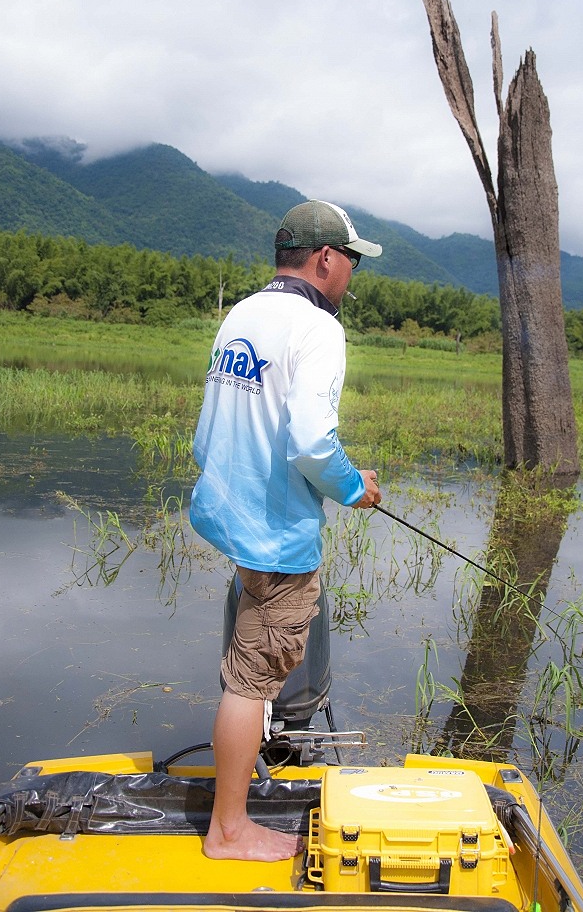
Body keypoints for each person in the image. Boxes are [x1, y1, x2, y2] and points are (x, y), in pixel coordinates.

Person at [189, 199, 383, 862]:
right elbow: (309, 441)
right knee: (250, 682)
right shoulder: (317, 327)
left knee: (248, 666)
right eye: (352, 261)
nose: (352, 275)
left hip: (236, 525)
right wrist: (357, 489)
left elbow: (206, 434)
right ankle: (230, 830)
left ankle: (232, 811)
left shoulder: (242, 314)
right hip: (277, 536)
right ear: (326, 258)